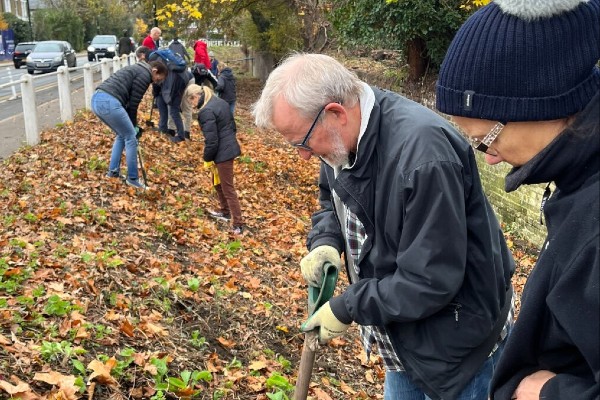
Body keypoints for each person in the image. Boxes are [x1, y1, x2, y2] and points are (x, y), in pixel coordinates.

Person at [252, 53, 515, 399]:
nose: (303, 155)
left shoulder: (424, 157)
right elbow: (332, 199)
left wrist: (348, 306)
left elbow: (430, 279)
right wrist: (326, 241)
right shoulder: (337, 143)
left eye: (302, 142)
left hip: (458, 348)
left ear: (335, 113)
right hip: (402, 339)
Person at [435, 0, 600, 399]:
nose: (489, 157)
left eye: (487, 139)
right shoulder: (577, 182)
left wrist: (549, 394)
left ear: (544, 102)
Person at [91, 61, 168, 190]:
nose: (156, 81)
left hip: (97, 100)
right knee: (131, 137)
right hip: (109, 101)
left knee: (122, 135)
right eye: (158, 78)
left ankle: (113, 172)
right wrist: (134, 127)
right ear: (154, 71)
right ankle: (133, 178)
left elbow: (128, 104)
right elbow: (133, 105)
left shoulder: (138, 69)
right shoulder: (145, 75)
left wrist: (133, 125)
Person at [182, 84, 244, 234]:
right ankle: (224, 210)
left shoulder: (206, 111)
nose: (192, 104)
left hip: (222, 153)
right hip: (228, 147)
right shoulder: (219, 102)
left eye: (191, 101)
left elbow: (211, 140)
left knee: (228, 188)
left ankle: (238, 223)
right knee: (217, 183)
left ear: (195, 96)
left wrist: (207, 158)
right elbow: (233, 126)